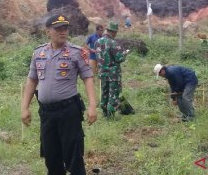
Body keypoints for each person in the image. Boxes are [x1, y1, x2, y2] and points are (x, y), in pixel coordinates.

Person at [21, 14, 97, 175]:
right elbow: (31, 80)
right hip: (47, 113)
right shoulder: (39, 53)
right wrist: (24, 108)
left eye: (65, 28)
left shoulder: (77, 52)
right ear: (48, 31)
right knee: (51, 156)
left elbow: (88, 78)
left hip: (68, 111)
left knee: (73, 155)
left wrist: (92, 106)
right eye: (58, 29)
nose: (63, 32)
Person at [95, 21, 129, 117]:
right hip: (113, 74)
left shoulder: (97, 42)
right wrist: (125, 53)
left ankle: (104, 112)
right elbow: (119, 58)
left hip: (102, 72)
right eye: (116, 32)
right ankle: (111, 115)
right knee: (113, 93)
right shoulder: (113, 43)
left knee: (104, 92)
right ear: (113, 32)